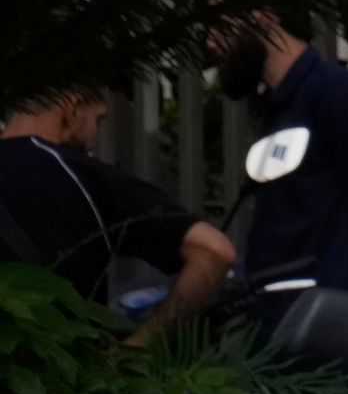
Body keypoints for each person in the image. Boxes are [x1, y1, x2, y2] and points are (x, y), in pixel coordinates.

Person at [213, 0, 348, 326]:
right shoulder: (278, 107)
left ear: (264, 15)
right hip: (296, 327)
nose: (210, 41)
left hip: (335, 328)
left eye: (219, 23)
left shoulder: (334, 93)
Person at [0, 86, 233, 332]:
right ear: (72, 109)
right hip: (58, 362)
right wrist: (139, 348)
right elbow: (214, 251)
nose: (94, 139)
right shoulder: (79, 175)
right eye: (98, 120)